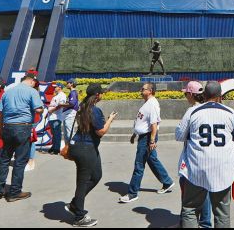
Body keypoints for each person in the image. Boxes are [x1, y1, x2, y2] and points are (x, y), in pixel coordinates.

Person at [176, 81, 234, 228]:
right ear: (220, 96)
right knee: (222, 213)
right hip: (223, 169)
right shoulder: (230, 113)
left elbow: (179, 136)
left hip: (196, 168)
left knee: (190, 209)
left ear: (204, 95)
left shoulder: (193, 112)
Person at [66, 84, 118, 227]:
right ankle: (79, 217)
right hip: (85, 148)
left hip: (84, 147)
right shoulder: (94, 110)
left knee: (96, 175)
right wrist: (110, 120)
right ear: (97, 95)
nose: (102, 95)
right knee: (83, 182)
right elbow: (100, 131)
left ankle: (75, 204)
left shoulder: (83, 107)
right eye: (101, 93)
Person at [0, 72, 43, 202]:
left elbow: (0, 113)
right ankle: (14, 192)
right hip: (22, 127)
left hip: (7, 127)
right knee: (19, 161)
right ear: (32, 81)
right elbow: (39, 110)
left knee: (4, 160)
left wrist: (0, 129)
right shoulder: (31, 91)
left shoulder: (8, 92)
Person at [119, 82, 174, 203]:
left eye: (143, 89)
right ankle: (167, 182)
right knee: (152, 160)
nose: (140, 90)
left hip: (147, 138)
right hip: (143, 136)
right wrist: (134, 134)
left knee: (139, 165)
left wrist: (152, 141)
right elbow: (141, 121)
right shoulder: (147, 103)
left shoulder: (153, 104)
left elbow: (154, 125)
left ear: (150, 91)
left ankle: (132, 193)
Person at [179, 81, 211, 229]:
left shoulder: (191, 111)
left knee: (189, 198)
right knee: (206, 190)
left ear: (191, 94)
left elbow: (180, 135)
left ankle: (190, 222)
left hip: (193, 158)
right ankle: (205, 223)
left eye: (186, 93)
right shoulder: (211, 109)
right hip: (210, 157)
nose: (185, 96)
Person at [48, 83, 68, 155]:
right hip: (52, 117)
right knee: (54, 133)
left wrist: (51, 110)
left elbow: (60, 105)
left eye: (56, 87)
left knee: (57, 133)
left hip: (56, 117)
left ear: (60, 87)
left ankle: (56, 149)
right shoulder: (57, 95)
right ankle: (54, 147)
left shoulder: (62, 95)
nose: (54, 88)